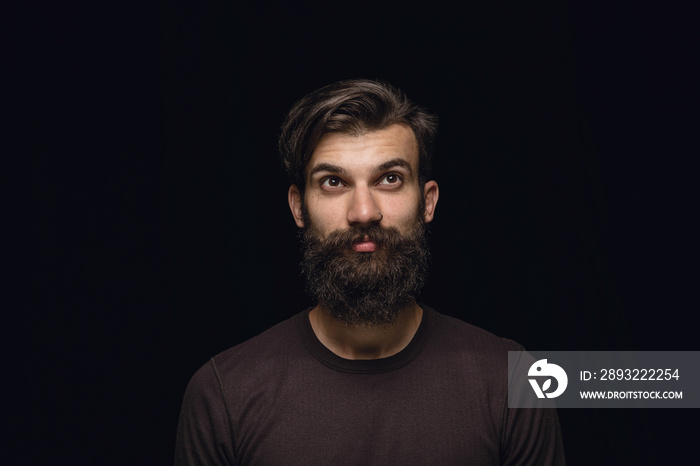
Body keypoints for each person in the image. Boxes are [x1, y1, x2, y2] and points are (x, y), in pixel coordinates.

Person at [174, 79, 566, 465]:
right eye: (333, 182)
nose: (363, 211)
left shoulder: (516, 382)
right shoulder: (224, 392)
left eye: (389, 179)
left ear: (427, 202)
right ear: (298, 207)